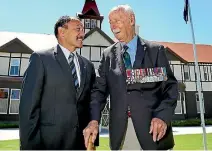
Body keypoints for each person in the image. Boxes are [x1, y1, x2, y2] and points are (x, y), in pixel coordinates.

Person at [84, 4, 178, 150]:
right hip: (122, 134)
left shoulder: (156, 51)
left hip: (154, 132)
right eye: (110, 22)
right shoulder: (107, 55)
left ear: (131, 20)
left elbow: (170, 88)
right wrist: (94, 120)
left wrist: (162, 116)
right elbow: (98, 92)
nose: (113, 26)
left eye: (117, 20)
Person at [19, 16, 98, 150]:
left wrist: (93, 132)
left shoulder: (88, 65)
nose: (82, 34)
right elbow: (28, 108)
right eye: (78, 29)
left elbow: (92, 101)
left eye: (83, 30)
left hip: (80, 144)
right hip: (49, 144)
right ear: (62, 32)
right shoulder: (41, 59)